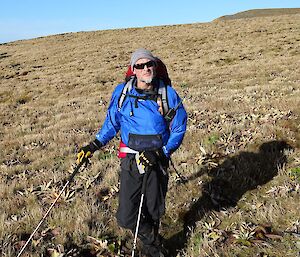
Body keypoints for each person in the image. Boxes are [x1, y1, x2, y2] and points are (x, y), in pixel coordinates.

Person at [77, 48, 187, 257]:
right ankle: (156, 244)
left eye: (149, 64)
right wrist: (94, 145)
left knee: (153, 211)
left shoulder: (168, 94)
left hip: (157, 159)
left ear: (155, 66)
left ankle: (153, 251)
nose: (146, 69)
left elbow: (179, 127)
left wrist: (162, 153)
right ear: (133, 69)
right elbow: (112, 122)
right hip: (131, 158)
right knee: (127, 216)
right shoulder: (122, 92)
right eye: (140, 65)